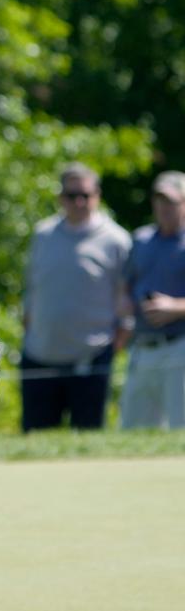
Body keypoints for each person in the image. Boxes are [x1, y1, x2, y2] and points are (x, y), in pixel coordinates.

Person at [20, 163, 132, 430]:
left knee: (88, 440)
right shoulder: (43, 234)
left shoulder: (117, 240)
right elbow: (32, 289)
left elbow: (125, 300)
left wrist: (115, 344)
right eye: (72, 195)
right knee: (35, 439)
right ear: (61, 198)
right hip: (40, 355)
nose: (79, 201)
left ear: (98, 196)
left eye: (86, 195)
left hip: (91, 358)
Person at [120, 171, 185, 429]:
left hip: (179, 346)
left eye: (171, 201)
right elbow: (126, 285)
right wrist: (124, 302)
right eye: (159, 200)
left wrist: (176, 307)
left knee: (181, 431)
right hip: (142, 348)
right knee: (133, 431)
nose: (163, 207)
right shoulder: (141, 239)